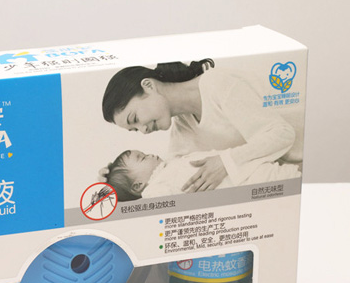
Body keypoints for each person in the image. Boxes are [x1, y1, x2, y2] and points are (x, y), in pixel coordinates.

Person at [101, 60, 302, 192]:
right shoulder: (183, 127)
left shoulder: (218, 83)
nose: (143, 130)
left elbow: (281, 134)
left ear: (149, 86)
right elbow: (164, 177)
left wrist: (225, 162)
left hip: (306, 167)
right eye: (135, 130)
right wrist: (115, 187)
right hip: (285, 185)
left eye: (134, 118)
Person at [106, 149, 301, 201]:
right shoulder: (154, 191)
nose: (149, 155)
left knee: (284, 172)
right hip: (242, 182)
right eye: (142, 158)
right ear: (138, 186)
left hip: (242, 169)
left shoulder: (168, 164)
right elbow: (161, 208)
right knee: (283, 176)